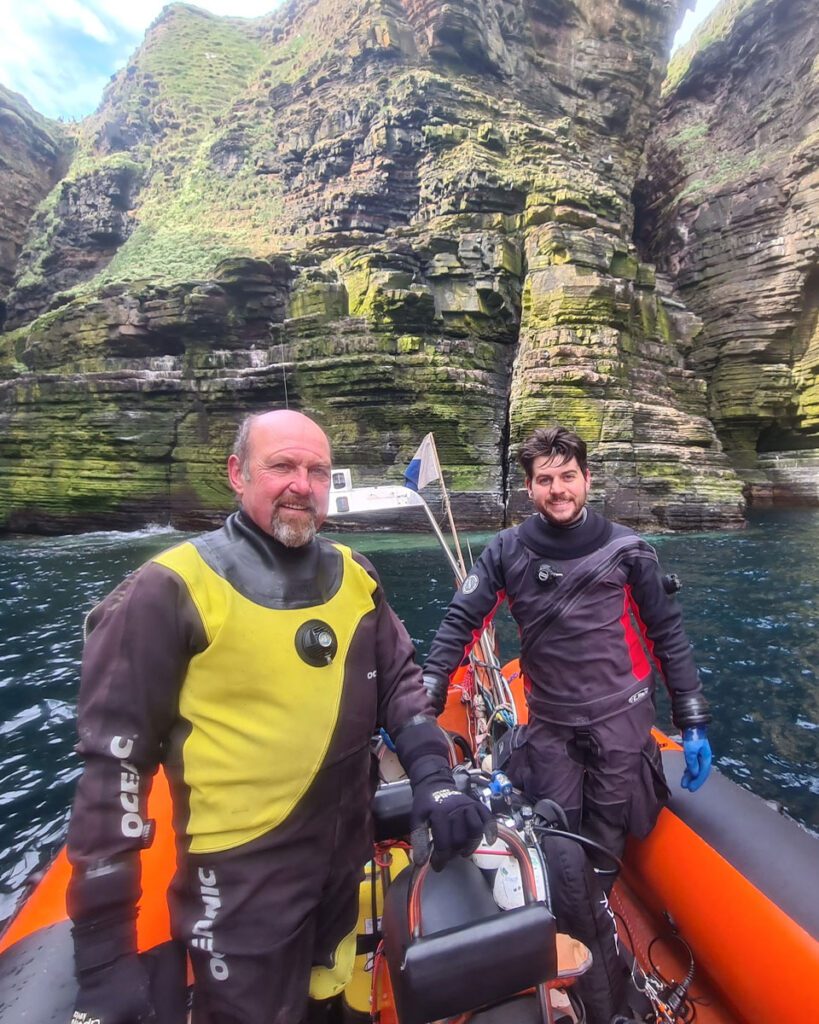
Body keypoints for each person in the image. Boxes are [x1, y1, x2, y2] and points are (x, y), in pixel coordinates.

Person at [66, 409, 491, 1024]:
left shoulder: (355, 575)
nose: (301, 484)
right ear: (237, 474)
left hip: (342, 864)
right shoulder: (171, 587)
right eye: (282, 466)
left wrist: (435, 782)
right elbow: (115, 770)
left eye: (317, 471)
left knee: (331, 995)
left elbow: (402, 688)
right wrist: (105, 956)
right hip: (239, 885)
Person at [423, 425, 713, 875]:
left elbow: (666, 633)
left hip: (621, 716)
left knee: (610, 829)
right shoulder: (507, 550)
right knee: (555, 832)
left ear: (587, 479)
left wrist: (691, 720)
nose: (558, 489)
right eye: (545, 479)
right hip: (551, 721)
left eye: (568, 476)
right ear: (529, 487)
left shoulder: (628, 550)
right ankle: (567, 904)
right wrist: (426, 694)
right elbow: (462, 620)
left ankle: (601, 903)